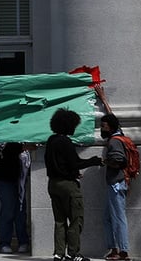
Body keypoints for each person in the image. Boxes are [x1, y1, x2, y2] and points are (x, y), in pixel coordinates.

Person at [44, 108, 102, 261]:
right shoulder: (65, 142)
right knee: (76, 219)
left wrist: (71, 172)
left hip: (53, 183)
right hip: (68, 186)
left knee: (60, 220)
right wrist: (94, 160)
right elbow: (75, 163)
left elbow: (56, 164)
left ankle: (59, 253)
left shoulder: (51, 140)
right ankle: (73, 253)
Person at [100, 111, 131, 261]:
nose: (102, 128)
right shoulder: (119, 135)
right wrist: (104, 101)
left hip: (116, 184)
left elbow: (119, 161)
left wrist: (105, 162)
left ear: (110, 127)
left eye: (104, 126)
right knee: (107, 218)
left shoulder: (114, 142)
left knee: (118, 218)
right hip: (116, 184)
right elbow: (114, 119)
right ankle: (113, 249)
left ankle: (123, 252)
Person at [0, 142, 30, 254]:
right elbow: (24, 147)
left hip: (19, 179)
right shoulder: (4, 141)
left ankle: (23, 241)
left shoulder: (17, 141)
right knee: (8, 211)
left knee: (20, 211)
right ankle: (5, 243)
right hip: (4, 179)